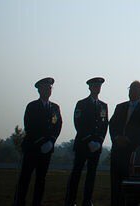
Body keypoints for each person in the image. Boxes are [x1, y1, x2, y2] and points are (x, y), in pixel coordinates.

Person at [13, 77, 62, 206]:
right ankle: (19, 202)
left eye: (50, 88)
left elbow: (57, 125)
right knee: (25, 178)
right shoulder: (32, 106)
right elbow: (29, 126)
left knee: (41, 179)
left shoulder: (55, 107)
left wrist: (51, 141)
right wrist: (41, 142)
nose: (48, 90)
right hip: (32, 147)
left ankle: (37, 202)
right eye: (46, 88)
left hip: (47, 149)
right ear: (39, 90)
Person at [65, 77, 109, 206]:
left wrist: (100, 141)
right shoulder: (82, 104)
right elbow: (79, 123)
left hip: (96, 146)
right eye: (95, 86)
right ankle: (70, 200)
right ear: (90, 88)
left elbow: (104, 124)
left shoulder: (103, 106)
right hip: (83, 145)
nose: (97, 88)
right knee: (76, 173)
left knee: (91, 175)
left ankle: (87, 200)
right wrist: (89, 140)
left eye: (99, 86)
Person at [109, 80, 140, 206]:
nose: (130, 92)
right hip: (117, 152)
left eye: (134, 89)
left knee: (130, 189)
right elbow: (112, 125)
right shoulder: (120, 107)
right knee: (115, 186)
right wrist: (117, 137)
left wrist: (129, 140)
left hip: (132, 153)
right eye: (130, 89)